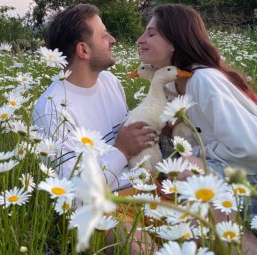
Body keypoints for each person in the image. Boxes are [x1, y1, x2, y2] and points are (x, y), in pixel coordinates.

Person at [136, 3, 257, 253]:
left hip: (250, 178)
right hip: (230, 178)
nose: (140, 39)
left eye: (151, 33)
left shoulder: (204, 80)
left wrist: (199, 159)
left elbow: (251, 148)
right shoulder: (172, 86)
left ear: (175, 41)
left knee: (189, 183)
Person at [32, 4, 157, 192]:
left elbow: (131, 135)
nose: (112, 40)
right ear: (83, 50)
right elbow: (72, 191)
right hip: (107, 206)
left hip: (146, 186)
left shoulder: (110, 81)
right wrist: (122, 150)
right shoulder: (51, 110)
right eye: (104, 35)